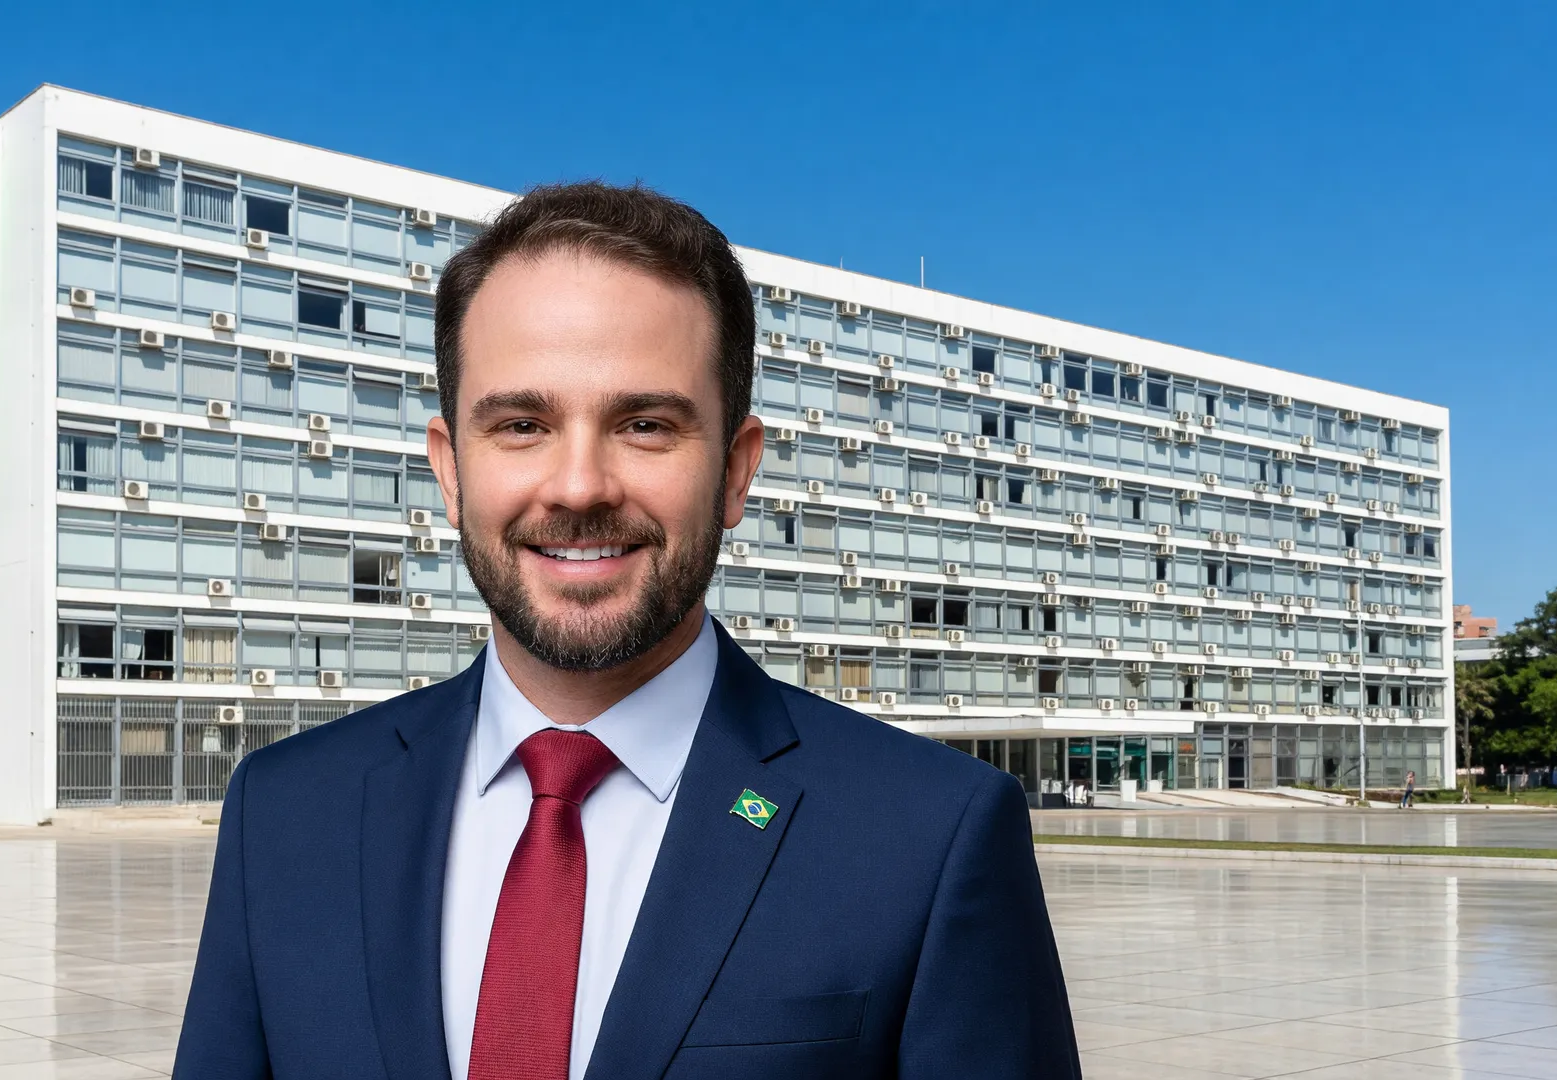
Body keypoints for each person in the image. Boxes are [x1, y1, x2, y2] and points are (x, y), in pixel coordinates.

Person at [173, 182, 1080, 1079]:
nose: (578, 486)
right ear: (450, 472)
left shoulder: (931, 836)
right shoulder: (283, 819)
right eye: (522, 424)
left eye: (645, 425)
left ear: (734, 470)